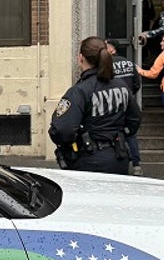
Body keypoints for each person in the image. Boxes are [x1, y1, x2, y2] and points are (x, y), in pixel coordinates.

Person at [49, 36, 142, 175]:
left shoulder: (80, 91)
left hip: (89, 160)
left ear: (81, 58)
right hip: (119, 157)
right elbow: (135, 119)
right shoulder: (121, 86)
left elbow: (62, 129)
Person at [106, 39, 143, 175]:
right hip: (129, 103)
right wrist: (130, 94)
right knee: (131, 135)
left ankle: (118, 163)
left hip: (114, 103)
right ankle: (136, 165)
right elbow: (137, 83)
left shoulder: (107, 64)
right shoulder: (129, 63)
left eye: (106, 47)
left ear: (112, 50)